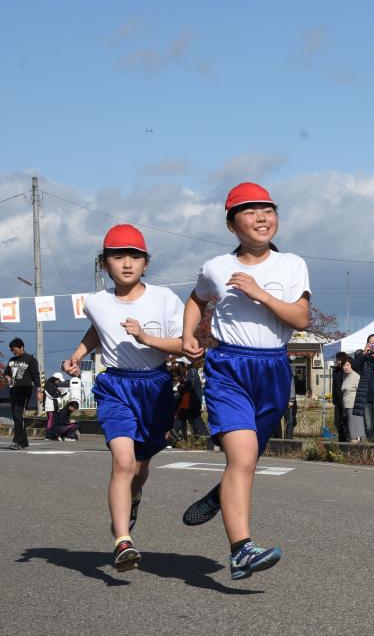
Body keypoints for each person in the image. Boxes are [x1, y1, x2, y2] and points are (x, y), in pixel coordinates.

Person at [179, 182, 310, 581]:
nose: (261, 217)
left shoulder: (292, 265)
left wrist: (260, 294)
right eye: (250, 211)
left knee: (248, 461)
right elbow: (196, 300)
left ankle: (222, 494)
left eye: (268, 210)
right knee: (242, 459)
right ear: (231, 224)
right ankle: (241, 551)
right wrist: (189, 335)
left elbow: (301, 319)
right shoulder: (215, 267)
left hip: (273, 367)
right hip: (228, 367)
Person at [63, 224, 184, 571]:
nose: (127, 263)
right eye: (118, 256)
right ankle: (122, 541)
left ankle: (133, 501)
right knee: (122, 461)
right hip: (116, 386)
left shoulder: (164, 299)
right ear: (105, 264)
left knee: (140, 467)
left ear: (146, 263)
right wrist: (77, 354)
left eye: (135, 256)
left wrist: (147, 338)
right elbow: (97, 329)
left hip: (156, 387)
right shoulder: (96, 303)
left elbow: (184, 345)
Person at [4, 338, 40, 449]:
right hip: (13, 390)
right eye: (12, 350)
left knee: (18, 413)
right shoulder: (11, 360)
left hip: (24, 390)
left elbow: (36, 376)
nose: (13, 352)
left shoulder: (30, 360)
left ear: (21, 347)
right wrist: (8, 377)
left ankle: (18, 441)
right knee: (16, 416)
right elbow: (6, 373)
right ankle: (24, 442)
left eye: (15, 350)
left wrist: (39, 392)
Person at [340, 359, 364, 442]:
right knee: (349, 428)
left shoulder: (355, 376)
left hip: (353, 405)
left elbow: (360, 391)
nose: (345, 367)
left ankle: (355, 445)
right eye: (344, 365)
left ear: (351, 365)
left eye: (347, 365)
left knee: (354, 428)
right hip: (346, 405)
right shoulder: (345, 376)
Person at [331, 351, 350, 442]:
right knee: (337, 421)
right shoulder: (336, 371)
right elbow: (334, 386)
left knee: (345, 421)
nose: (338, 362)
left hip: (346, 399)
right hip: (338, 400)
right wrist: (334, 399)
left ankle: (347, 438)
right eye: (337, 360)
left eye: (339, 360)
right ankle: (341, 439)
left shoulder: (347, 371)